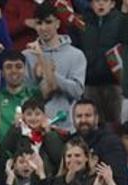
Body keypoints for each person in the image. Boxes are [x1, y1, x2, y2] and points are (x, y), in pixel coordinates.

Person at [24, 2, 86, 132]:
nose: (44, 27)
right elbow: (26, 94)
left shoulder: (76, 54)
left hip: (66, 126)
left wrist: (51, 74)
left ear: (57, 23)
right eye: (39, 23)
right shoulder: (28, 55)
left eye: (48, 22)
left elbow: (78, 91)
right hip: (34, 128)